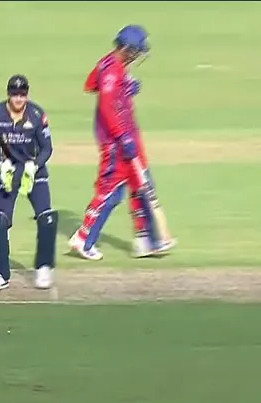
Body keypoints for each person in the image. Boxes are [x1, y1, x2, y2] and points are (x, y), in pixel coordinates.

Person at [66, 25, 176, 261]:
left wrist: (125, 88)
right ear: (127, 49)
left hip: (127, 136)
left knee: (141, 185)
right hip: (117, 142)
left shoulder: (110, 64)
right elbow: (107, 107)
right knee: (111, 193)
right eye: (137, 51)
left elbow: (90, 85)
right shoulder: (111, 70)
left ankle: (147, 240)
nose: (138, 56)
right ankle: (83, 239)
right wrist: (122, 136)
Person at [0, 74, 57, 291]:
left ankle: (44, 267)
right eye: (15, 94)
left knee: (47, 218)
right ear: (8, 95)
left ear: (27, 95)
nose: (18, 99)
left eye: (22, 95)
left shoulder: (37, 115)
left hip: (33, 171)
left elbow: (47, 148)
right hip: (8, 171)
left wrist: (34, 166)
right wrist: (1, 164)